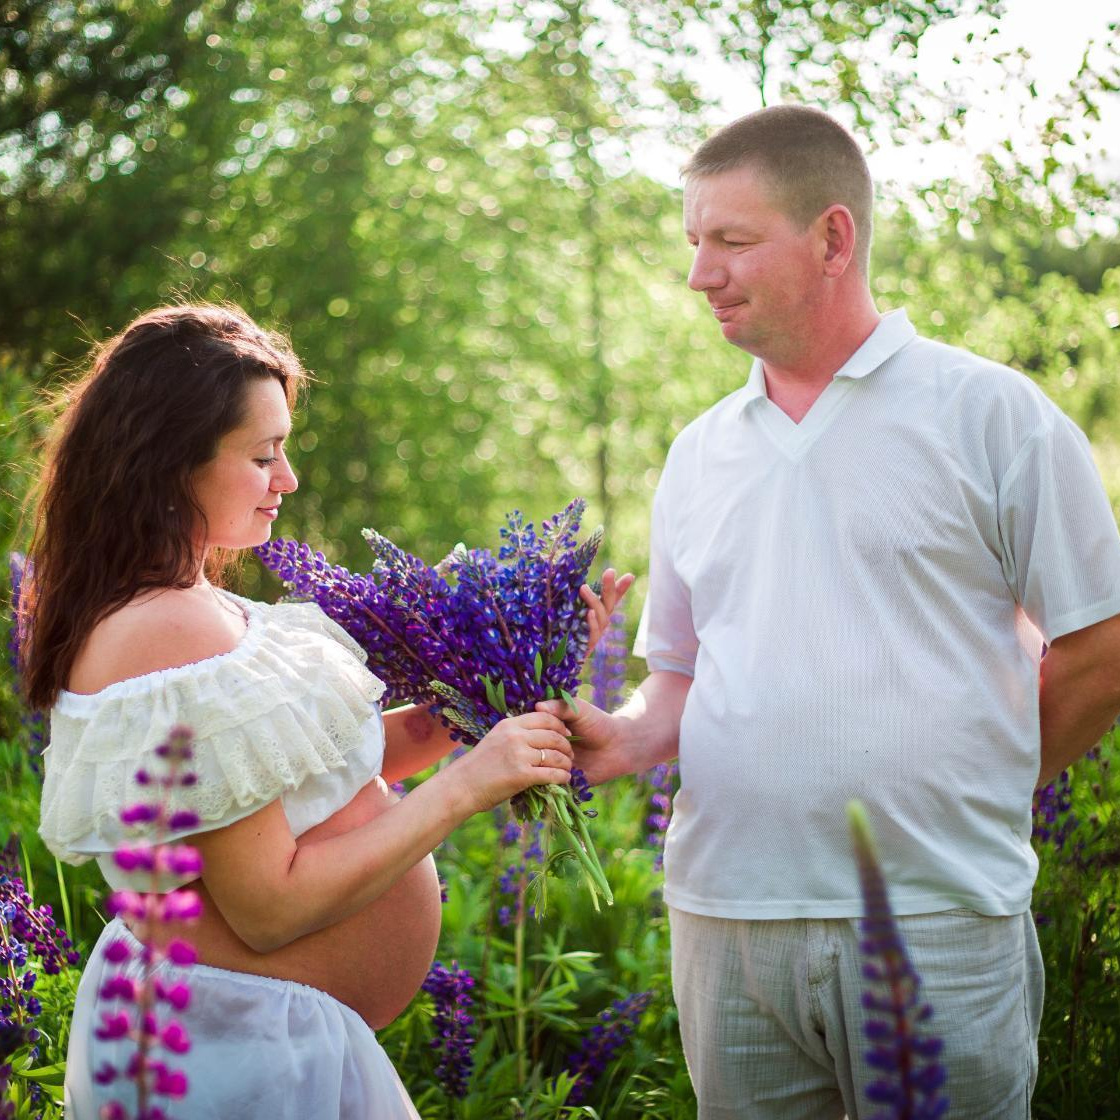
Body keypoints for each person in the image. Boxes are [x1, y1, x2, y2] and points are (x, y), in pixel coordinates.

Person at [539, 105, 1120, 1118]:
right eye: (693, 243)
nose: (698, 275)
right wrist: (617, 737)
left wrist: (982, 782)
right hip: (725, 924)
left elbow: (1099, 647)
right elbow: (676, 678)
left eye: (730, 240)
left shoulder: (991, 416)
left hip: (932, 920)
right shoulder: (698, 453)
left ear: (832, 237)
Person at [22, 304, 624, 1118]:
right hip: (236, 1054)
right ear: (172, 461)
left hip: (266, 1038)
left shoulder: (188, 606)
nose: (288, 479)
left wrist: (521, 675)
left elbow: (335, 768)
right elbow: (270, 909)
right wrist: (468, 785)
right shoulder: (168, 630)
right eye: (263, 455)